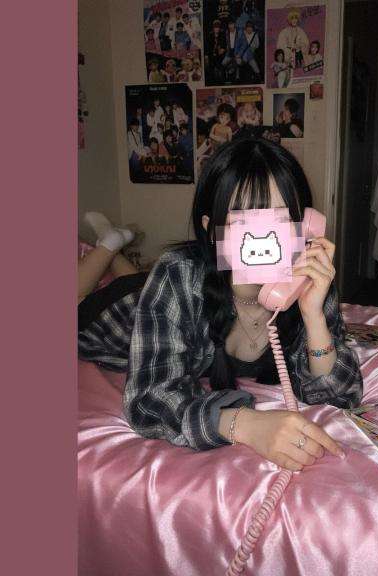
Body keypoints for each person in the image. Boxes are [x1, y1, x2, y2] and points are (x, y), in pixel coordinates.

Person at [79, 137, 363, 471]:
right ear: (211, 230)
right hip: (113, 313)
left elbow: (340, 395)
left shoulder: (309, 275)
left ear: (306, 227)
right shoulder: (177, 274)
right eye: (243, 220)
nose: (263, 234)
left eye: (281, 218)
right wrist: (243, 424)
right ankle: (108, 244)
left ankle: (115, 251)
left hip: (158, 287)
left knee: (138, 278)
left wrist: (313, 316)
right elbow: (148, 399)